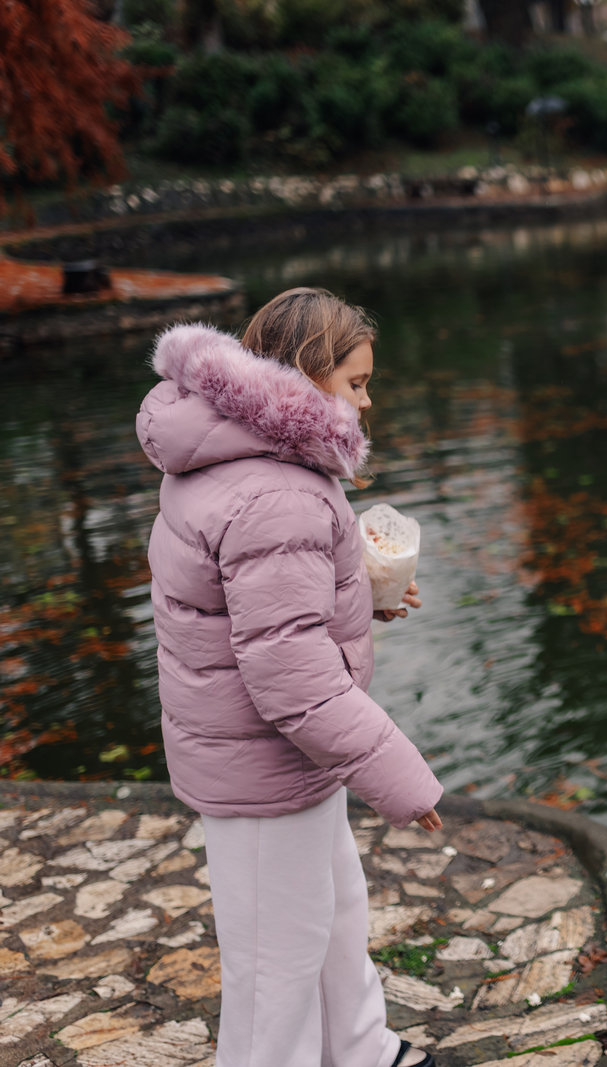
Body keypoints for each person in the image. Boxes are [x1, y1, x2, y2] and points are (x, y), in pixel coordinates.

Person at [138, 287, 443, 1067]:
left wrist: (361, 596)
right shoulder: (279, 492)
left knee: (332, 908)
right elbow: (290, 674)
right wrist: (402, 779)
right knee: (274, 957)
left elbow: (252, 610)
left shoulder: (235, 452)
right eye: (355, 382)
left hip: (275, 749)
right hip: (265, 755)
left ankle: (359, 1046)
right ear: (307, 375)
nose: (366, 402)